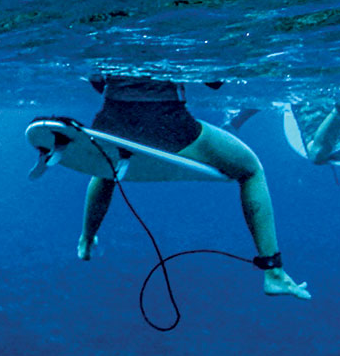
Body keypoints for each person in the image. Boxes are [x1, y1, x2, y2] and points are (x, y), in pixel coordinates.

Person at [77, 75, 309, 299]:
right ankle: (274, 272)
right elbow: (215, 82)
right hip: (169, 127)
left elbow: (97, 81)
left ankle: (86, 240)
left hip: (110, 125)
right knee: (251, 170)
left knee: (107, 167)